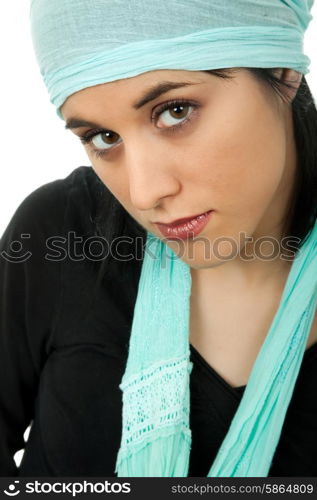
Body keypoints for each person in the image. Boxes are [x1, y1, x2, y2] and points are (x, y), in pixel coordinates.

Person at [0, 0, 316, 477]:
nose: (145, 193)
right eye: (103, 138)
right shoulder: (57, 234)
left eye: (175, 111)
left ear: (282, 69)